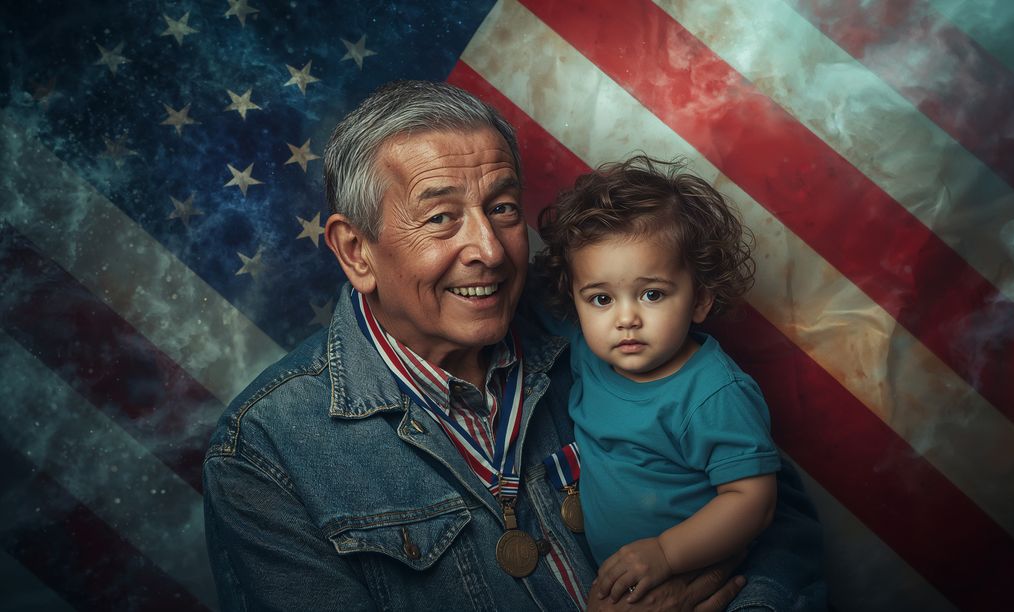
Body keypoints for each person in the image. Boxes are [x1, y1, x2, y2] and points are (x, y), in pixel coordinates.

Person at [202, 79, 825, 611]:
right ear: (357, 251)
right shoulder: (263, 453)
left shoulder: (591, 328)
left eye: (501, 208)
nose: (492, 251)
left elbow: (776, 515)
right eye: (442, 217)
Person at [536, 156, 779, 605]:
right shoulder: (590, 351)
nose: (626, 318)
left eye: (652, 294)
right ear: (575, 299)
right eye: (602, 298)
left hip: (691, 580)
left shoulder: (711, 394)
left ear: (701, 299)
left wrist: (668, 553)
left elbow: (754, 499)